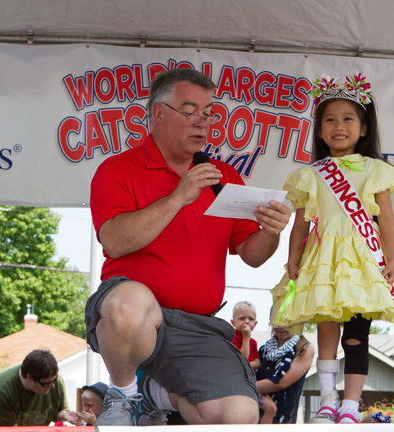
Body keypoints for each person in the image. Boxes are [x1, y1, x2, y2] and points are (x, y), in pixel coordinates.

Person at [86, 67, 291, 426]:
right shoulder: (117, 170)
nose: (202, 122)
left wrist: (272, 232)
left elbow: (252, 254)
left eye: (208, 113)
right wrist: (178, 197)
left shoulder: (223, 176)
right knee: (129, 303)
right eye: (190, 111)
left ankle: (155, 394)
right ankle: (122, 394)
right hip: (132, 322)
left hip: (198, 328)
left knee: (239, 414)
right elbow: (115, 242)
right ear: (159, 115)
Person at [269, 74, 394, 424]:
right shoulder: (310, 174)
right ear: (320, 130)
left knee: (356, 335)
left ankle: (351, 406)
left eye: (347, 119)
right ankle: (327, 398)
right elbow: (300, 225)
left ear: (363, 128)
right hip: (324, 261)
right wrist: (293, 260)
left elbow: (386, 219)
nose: (338, 126)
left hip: (363, 263)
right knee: (326, 330)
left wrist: (392, 259)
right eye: (329, 119)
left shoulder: (376, 170)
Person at [0, 349, 80, 426]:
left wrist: (64, 415)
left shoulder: (55, 381)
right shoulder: (3, 389)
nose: (52, 385)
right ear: (29, 377)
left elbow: (57, 412)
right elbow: (7, 431)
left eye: (54, 380)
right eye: (46, 383)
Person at [255, 326, 314, 424]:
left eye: (288, 322)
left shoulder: (303, 348)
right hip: (258, 415)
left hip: (284, 420)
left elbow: (282, 382)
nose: (281, 326)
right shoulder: (263, 349)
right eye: (277, 321)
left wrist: (245, 388)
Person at [231, 301, 261, 370]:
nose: (247, 321)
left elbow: (258, 362)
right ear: (233, 322)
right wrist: (246, 338)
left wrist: (246, 365)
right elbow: (242, 360)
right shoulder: (232, 339)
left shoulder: (253, 342)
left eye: (251, 319)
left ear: (255, 324)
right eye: (242, 318)